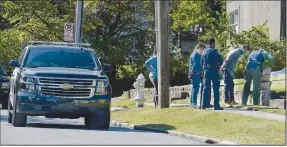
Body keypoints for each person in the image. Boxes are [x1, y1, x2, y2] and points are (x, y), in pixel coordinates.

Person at [201, 37, 224, 110]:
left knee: (205, 88)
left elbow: (201, 62)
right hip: (214, 70)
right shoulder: (215, 51)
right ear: (213, 43)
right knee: (216, 88)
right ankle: (216, 105)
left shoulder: (204, 52)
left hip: (206, 71)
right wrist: (217, 67)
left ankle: (203, 105)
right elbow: (221, 61)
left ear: (208, 44)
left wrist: (205, 69)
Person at [188, 43, 206, 108]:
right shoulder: (196, 55)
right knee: (196, 88)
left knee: (194, 88)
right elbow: (197, 65)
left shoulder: (197, 55)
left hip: (195, 74)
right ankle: (194, 103)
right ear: (198, 49)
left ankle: (192, 103)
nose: (203, 51)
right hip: (195, 74)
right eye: (202, 50)